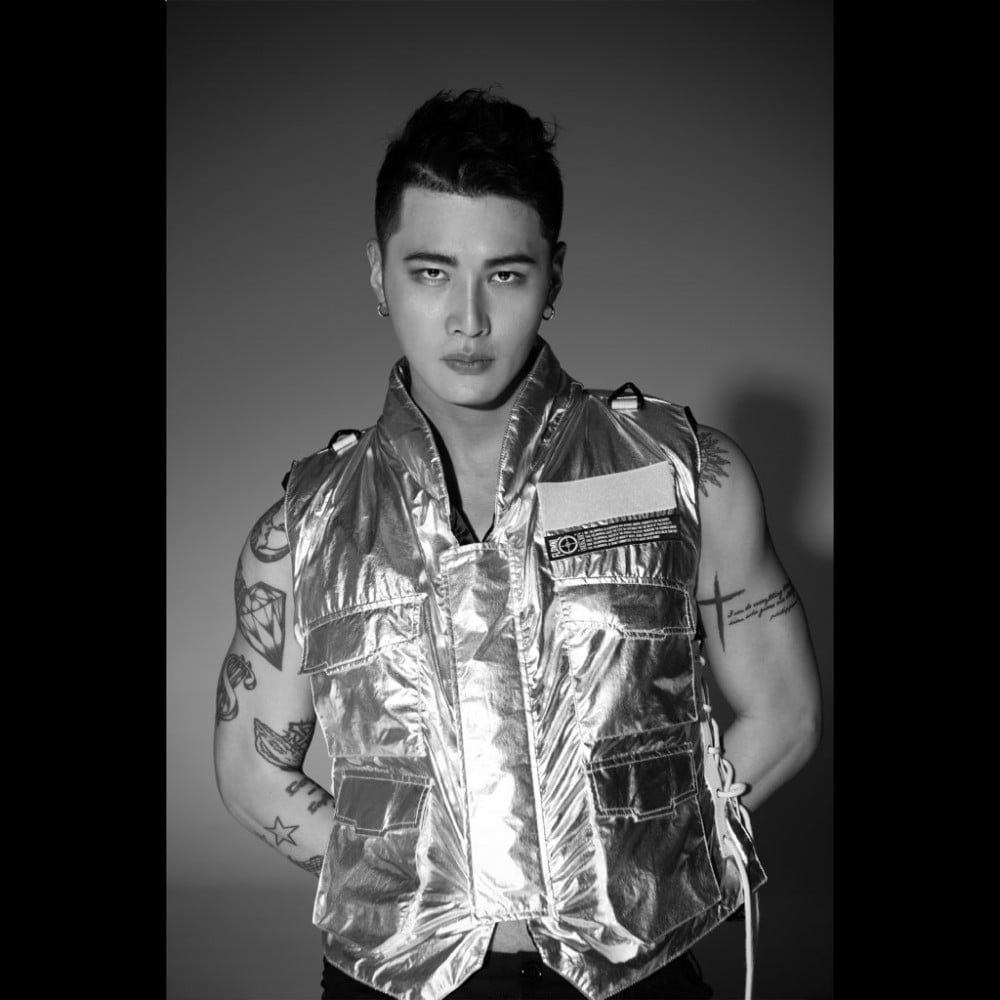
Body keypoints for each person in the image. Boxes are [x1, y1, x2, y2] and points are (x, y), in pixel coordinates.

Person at [213, 88, 822, 1000]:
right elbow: (252, 768)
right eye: (430, 272)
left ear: (554, 274)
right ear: (378, 274)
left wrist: (646, 859)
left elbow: (787, 713)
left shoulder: (685, 474)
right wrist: (398, 886)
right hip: (395, 978)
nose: (468, 319)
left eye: (504, 274)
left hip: (636, 972)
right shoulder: (304, 526)